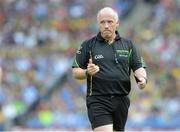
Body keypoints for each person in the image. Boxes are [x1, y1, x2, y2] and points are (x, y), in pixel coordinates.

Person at [72, 7, 147, 131]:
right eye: (102, 22)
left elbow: (138, 67)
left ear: (117, 24)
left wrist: (142, 79)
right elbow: (75, 72)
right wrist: (87, 72)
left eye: (110, 22)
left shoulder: (128, 45)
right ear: (98, 24)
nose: (106, 25)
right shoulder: (88, 45)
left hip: (121, 100)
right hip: (98, 99)